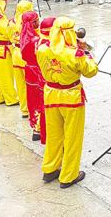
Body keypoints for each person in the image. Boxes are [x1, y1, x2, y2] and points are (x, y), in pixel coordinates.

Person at [37, 17, 98, 188]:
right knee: (72, 137)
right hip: (71, 96)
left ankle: (50, 169)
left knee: (54, 135)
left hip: (51, 94)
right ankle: (68, 175)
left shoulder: (42, 49)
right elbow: (91, 71)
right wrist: (86, 52)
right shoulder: (75, 53)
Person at [20, 11, 46, 143]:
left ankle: (35, 128)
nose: (38, 22)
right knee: (40, 99)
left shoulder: (24, 35)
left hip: (29, 70)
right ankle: (40, 128)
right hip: (37, 71)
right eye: (36, 20)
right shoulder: (36, 40)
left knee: (32, 99)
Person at [9, 1, 34, 118]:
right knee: (31, 84)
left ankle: (24, 109)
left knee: (20, 84)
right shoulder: (29, 23)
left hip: (15, 54)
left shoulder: (11, 22)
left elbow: (8, 36)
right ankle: (33, 109)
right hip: (26, 55)